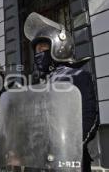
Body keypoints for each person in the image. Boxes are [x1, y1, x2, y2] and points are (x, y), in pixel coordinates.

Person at [24, 12, 99, 172]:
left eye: (43, 47)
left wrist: (68, 149)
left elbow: (90, 118)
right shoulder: (39, 83)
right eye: (36, 49)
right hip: (40, 160)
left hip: (69, 160)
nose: (38, 53)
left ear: (59, 46)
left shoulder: (78, 76)